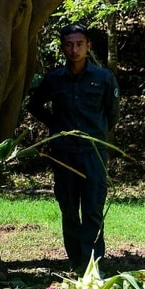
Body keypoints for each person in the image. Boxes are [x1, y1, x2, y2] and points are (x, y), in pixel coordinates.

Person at [27, 23, 120, 273]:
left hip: (94, 154)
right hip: (64, 155)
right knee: (69, 209)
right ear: (62, 48)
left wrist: (96, 132)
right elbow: (34, 105)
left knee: (92, 209)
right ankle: (76, 260)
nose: (74, 49)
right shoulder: (54, 79)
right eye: (69, 44)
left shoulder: (103, 78)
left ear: (88, 46)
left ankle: (93, 264)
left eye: (79, 44)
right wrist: (56, 125)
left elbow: (112, 114)